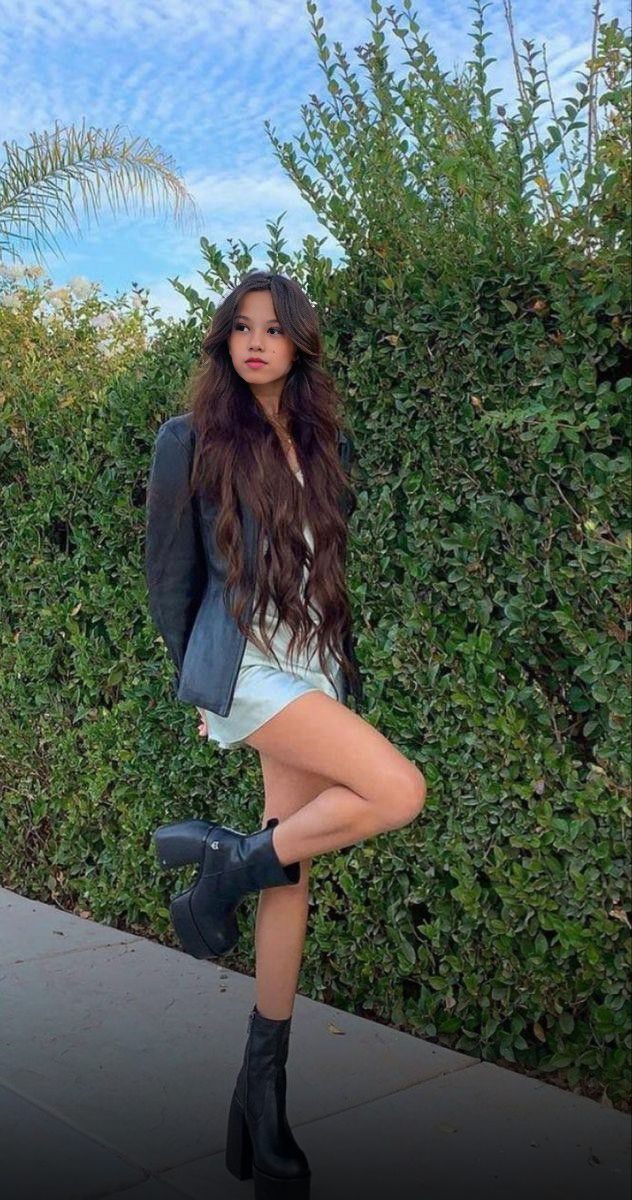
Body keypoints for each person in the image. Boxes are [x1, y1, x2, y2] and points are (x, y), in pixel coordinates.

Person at [144, 269, 427, 1199]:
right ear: (224, 340)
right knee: (398, 791)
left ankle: (259, 1101)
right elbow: (169, 577)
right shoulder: (190, 440)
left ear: (299, 343)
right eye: (242, 327)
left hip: (311, 664)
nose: (256, 342)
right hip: (248, 669)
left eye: (273, 328)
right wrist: (200, 682)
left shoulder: (322, 443)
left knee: (288, 869)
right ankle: (227, 864)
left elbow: (318, 566)